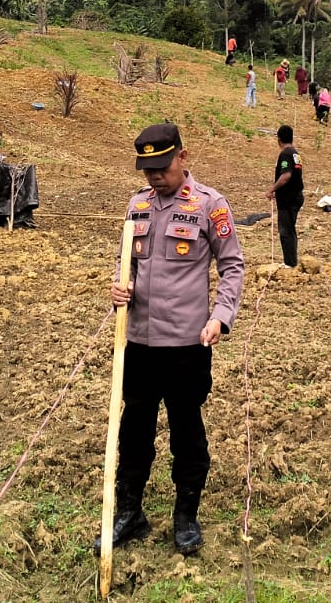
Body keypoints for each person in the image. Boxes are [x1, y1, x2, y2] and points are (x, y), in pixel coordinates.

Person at [100, 123, 244, 556]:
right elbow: (126, 266)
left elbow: (232, 266)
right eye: (147, 170)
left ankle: (186, 515)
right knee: (134, 429)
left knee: (186, 430)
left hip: (186, 344)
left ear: (183, 157)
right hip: (139, 343)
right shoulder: (137, 206)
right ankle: (130, 512)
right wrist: (118, 288)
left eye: (161, 167)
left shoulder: (209, 206)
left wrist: (221, 317)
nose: (154, 177)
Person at [266, 124, 305, 267]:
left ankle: (289, 263)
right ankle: (291, 260)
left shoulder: (285, 154)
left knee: (286, 231)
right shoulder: (295, 154)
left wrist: (272, 189)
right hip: (296, 196)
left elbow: (286, 176)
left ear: (279, 139)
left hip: (289, 199)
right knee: (290, 229)